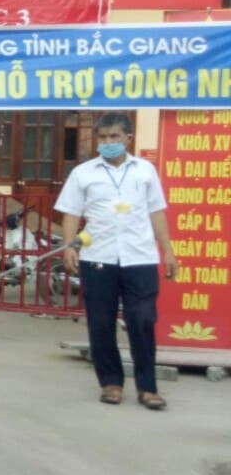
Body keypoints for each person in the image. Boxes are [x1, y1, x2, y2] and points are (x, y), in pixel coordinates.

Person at [55, 112, 178, 410]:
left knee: (142, 319)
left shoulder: (145, 171)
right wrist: (69, 246)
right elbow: (71, 212)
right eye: (103, 137)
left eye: (114, 137)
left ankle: (147, 387)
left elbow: (157, 213)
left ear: (128, 138)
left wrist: (168, 250)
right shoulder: (83, 173)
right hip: (99, 257)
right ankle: (110, 382)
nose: (108, 143)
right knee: (100, 321)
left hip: (140, 257)